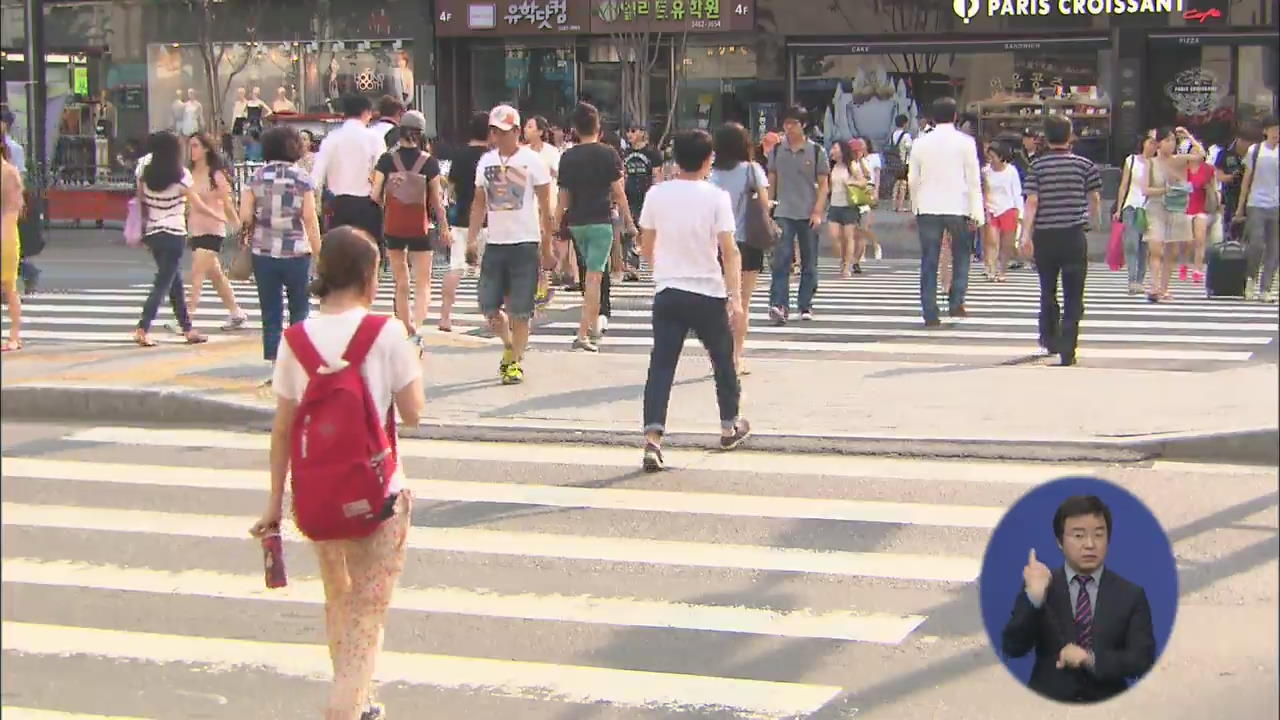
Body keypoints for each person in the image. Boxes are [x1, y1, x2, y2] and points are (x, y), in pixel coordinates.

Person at [250, 226, 423, 720]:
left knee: (338, 601)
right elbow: (413, 412)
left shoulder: (295, 339)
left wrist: (273, 505)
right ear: (370, 276)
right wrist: (416, 359)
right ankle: (343, 708)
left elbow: (282, 430)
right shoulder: (386, 332)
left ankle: (358, 700)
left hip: (318, 496)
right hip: (379, 494)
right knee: (368, 612)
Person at [638, 129, 750, 471]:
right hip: (707, 293)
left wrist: (665, 270)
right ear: (708, 160)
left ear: (675, 159)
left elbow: (645, 247)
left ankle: (653, 439)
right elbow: (729, 251)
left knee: (661, 366)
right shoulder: (715, 197)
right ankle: (729, 425)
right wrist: (736, 298)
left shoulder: (656, 194)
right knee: (723, 360)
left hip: (669, 292)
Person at [1001, 495, 1156, 703]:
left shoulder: (1130, 594)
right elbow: (1013, 647)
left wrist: (1089, 658)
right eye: (1079, 535)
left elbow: (1142, 660)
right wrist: (1034, 598)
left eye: (1098, 535)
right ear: (1060, 541)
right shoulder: (1043, 584)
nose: (1090, 544)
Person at [467, 104, 556, 385]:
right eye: (494, 132)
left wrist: (547, 246)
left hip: (525, 244)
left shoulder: (533, 161)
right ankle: (508, 346)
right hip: (495, 244)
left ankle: (515, 362)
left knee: (520, 311)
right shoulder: (485, 162)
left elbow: (546, 206)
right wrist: (471, 239)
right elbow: (479, 203)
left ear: (517, 131)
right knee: (489, 307)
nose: (499, 137)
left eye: (504, 132)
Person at [239, 125, 324, 378]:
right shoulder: (302, 178)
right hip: (297, 251)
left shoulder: (256, 177)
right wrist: (319, 253)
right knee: (300, 307)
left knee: (270, 309)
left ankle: (276, 364)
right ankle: (298, 361)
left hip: (263, 252)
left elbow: (244, 216)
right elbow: (309, 218)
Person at [1020, 115, 1102, 367]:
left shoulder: (1038, 167)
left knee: (1048, 289)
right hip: (1073, 234)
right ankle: (1069, 348)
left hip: (1045, 236)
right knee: (1074, 293)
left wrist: (1025, 234)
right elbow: (1095, 199)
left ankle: (1049, 337)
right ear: (1070, 136)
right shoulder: (1085, 165)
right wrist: (1093, 222)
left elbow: (1032, 201)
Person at [557, 102, 635, 352]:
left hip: (577, 222)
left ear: (575, 129)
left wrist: (553, 225)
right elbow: (619, 193)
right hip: (601, 220)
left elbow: (563, 197)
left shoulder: (568, 157)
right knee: (594, 277)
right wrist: (630, 223)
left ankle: (589, 325)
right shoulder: (609, 153)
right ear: (598, 126)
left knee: (589, 275)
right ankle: (585, 331)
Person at [371, 110, 449, 344]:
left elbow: (374, 194)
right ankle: (417, 324)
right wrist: (444, 227)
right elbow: (436, 200)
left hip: (394, 225)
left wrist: (390, 203)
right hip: (420, 227)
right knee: (423, 281)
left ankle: (406, 326)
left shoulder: (386, 160)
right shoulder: (429, 162)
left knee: (401, 280)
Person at [133, 131, 215, 347]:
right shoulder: (182, 175)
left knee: (173, 281)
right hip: (174, 233)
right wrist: (218, 216)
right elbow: (196, 204)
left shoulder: (144, 173)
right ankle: (143, 327)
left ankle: (187, 329)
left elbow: (140, 200)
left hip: (152, 232)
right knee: (163, 282)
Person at [909, 96, 983, 327]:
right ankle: (956, 300)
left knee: (929, 259)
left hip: (928, 206)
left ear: (932, 117)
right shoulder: (966, 142)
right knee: (961, 255)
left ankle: (930, 310)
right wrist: (977, 212)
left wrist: (915, 207)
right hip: (958, 205)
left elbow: (913, 179)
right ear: (955, 117)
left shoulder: (920, 143)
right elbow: (973, 179)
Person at [709, 122, 774, 376]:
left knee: (720, 302)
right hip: (749, 241)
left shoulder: (712, 175)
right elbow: (765, 204)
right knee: (742, 302)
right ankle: (736, 357)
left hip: (718, 243)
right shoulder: (753, 170)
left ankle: (719, 356)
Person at [767, 105, 829, 325]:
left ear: (803, 125)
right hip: (783, 211)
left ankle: (805, 303)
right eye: (786, 123)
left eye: (793, 123)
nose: (789, 127)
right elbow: (772, 179)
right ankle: (779, 304)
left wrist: (818, 211)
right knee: (781, 260)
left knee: (809, 261)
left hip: (808, 212)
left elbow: (823, 185)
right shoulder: (776, 150)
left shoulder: (816, 151)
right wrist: (769, 207)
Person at [185, 132, 248, 331]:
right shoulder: (189, 173)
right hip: (195, 228)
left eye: (195, 145)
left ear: (205, 148)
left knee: (197, 272)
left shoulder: (216, 174)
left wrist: (238, 226)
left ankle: (187, 317)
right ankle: (236, 312)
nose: (191, 150)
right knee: (216, 276)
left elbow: (227, 203)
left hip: (214, 228)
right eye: (190, 146)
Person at [312, 95, 386, 260]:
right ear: (366, 113)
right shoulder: (375, 139)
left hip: (337, 205)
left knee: (340, 258)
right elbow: (381, 173)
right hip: (368, 205)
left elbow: (316, 177)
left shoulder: (331, 139)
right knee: (368, 259)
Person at [441, 111, 490, 332]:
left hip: (461, 218)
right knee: (492, 270)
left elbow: (450, 190)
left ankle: (445, 317)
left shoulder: (459, 155)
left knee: (455, 267)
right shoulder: (493, 156)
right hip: (489, 221)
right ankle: (495, 318)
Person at [1144, 126, 1205, 303]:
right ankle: (1154, 287)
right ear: (1158, 143)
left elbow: (1201, 155)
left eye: (1173, 140)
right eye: (1167, 140)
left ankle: (1164, 288)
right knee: (1156, 248)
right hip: (1156, 207)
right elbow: (1145, 189)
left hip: (1177, 208)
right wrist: (1165, 190)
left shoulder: (1179, 160)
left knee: (1172, 251)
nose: (1170, 144)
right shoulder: (1151, 163)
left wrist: (1188, 135)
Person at [1234, 115, 1279, 303]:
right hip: (1256, 203)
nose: (1277, 133)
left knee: (1274, 249)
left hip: (1276, 205)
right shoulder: (1255, 150)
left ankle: (1265, 288)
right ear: (1265, 131)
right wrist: (1240, 207)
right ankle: (1251, 278)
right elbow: (1246, 179)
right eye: (1274, 129)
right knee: (1257, 244)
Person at [1113, 131, 1156, 294]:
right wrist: (1119, 208)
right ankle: (1132, 279)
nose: (1153, 146)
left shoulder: (1156, 164)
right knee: (1131, 243)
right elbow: (1124, 185)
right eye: (1150, 142)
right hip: (1131, 205)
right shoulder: (1131, 160)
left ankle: (1140, 279)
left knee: (1144, 245)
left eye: (1155, 143)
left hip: (1148, 207)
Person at [623, 125, 664, 281]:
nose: (629, 134)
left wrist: (657, 195)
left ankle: (656, 264)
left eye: (633, 131)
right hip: (629, 195)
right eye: (628, 131)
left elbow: (657, 175)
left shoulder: (652, 153)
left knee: (648, 230)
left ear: (642, 133)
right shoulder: (625, 152)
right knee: (631, 231)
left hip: (647, 195)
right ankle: (632, 267)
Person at [983, 141, 1024, 283]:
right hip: (992, 209)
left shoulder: (1011, 171)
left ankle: (1002, 270)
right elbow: (984, 192)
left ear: (1001, 157)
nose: (991, 160)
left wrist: (1020, 213)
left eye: (993, 156)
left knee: (1007, 244)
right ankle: (991, 268)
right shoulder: (986, 171)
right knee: (992, 241)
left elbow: (1017, 192)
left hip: (1008, 209)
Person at [826, 140, 862, 278]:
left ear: (842, 150)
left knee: (848, 237)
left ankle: (847, 265)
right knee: (835, 236)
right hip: (834, 205)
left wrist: (852, 182)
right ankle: (842, 259)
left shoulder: (851, 166)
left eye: (835, 147)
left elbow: (862, 182)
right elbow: (829, 186)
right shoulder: (832, 166)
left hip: (849, 205)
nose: (833, 150)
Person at [1, 137, 22, 351]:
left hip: (5, 235)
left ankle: (14, 336)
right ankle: (13, 336)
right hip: (6, 233)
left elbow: (12, 210)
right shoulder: (10, 172)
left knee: (9, 286)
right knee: (9, 287)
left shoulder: (8, 173)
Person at [888, 114, 913, 212]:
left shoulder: (893, 134)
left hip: (894, 162)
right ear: (905, 123)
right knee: (903, 184)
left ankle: (894, 204)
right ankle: (900, 205)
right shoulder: (906, 135)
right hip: (903, 162)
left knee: (896, 183)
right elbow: (910, 148)